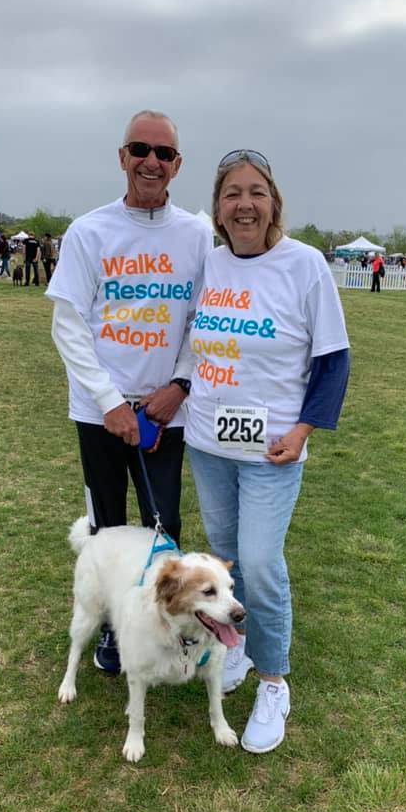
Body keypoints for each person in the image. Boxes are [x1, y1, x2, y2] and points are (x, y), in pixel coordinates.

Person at [184, 149, 350, 754]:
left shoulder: (303, 264)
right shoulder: (211, 263)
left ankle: (273, 680)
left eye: (256, 192)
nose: (244, 204)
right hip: (207, 442)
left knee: (260, 562)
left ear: (273, 202)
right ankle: (236, 651)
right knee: (225, 561)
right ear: (219, 209)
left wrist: (303, 431)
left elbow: (333, 359)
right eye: (232, 194)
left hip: (273, 450)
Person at [46, 109, 212, 672]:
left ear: (177, 166)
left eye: (163, 154)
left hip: (167, 412)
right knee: (107, 528)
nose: (151, 161)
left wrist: (180, 385)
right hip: (99, 413)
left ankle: (168, 627)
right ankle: (115, 630)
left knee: (164, 524)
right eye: (140, 149)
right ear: (122, 157)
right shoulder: (89, 231)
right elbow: (68, 324)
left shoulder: (196, 233)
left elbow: (202, 322)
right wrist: (109, 401)